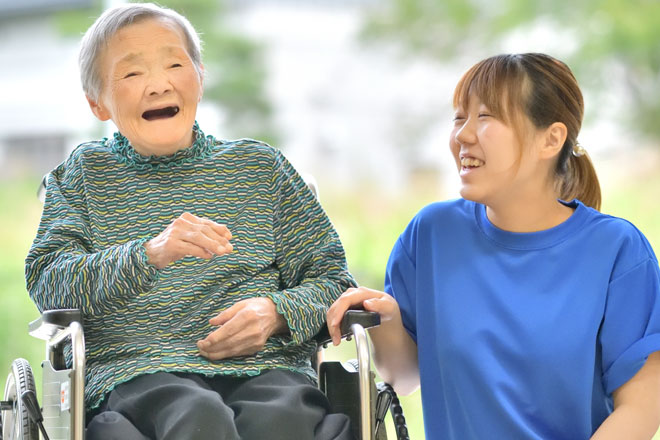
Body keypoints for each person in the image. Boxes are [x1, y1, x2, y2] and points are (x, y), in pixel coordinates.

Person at [25, 3, 355, 439]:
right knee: (197, 415)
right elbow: (49, 283)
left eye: (175, 64)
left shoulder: (261, 168)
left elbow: (334, 281)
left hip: (270, 371)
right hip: (137, 377)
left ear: (200, 78)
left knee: (281, 422)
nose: (158, 85)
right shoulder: (83, 176)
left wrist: (277, 312)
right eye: (131, 74)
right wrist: (148, 254)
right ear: (97, 103)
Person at [327, 53, 660, 439]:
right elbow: (403, 377)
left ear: (551, 139)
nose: (463, 135)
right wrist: (386, 320)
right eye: (459, 117)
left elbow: (643, 407)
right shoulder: (432, 234)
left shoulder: (617, 251)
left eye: (486, 117)